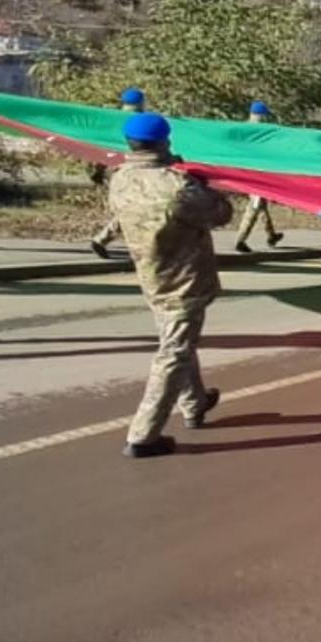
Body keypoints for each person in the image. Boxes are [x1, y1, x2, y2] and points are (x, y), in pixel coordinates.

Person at [107, 112, 234, 458]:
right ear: (164, 141)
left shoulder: (120, 178)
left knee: (176, 340)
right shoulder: (178, 187)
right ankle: (144, 435)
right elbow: (221, 213)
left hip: (152, 276)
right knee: (174, 352)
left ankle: (194, 403)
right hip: (184, 281)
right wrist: (204, 185)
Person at [88, 87, 148, 259]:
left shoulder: (114, 121)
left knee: (130, 208)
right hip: (140, 170)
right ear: (142, 102)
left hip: (118, 172)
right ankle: (103, 239)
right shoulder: (144, 121)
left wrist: (98, 169)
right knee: (137, 208)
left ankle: (103, 239)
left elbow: (104, 148)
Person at [232, 99, 285, 253]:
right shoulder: (260, 132)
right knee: (254, 207)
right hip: (256, 174)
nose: (266, 119)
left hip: (248, 171)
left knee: (261, 204)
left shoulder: (242, 129)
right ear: (259, 115)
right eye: (264, 116)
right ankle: (240, 240)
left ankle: (271, 234)